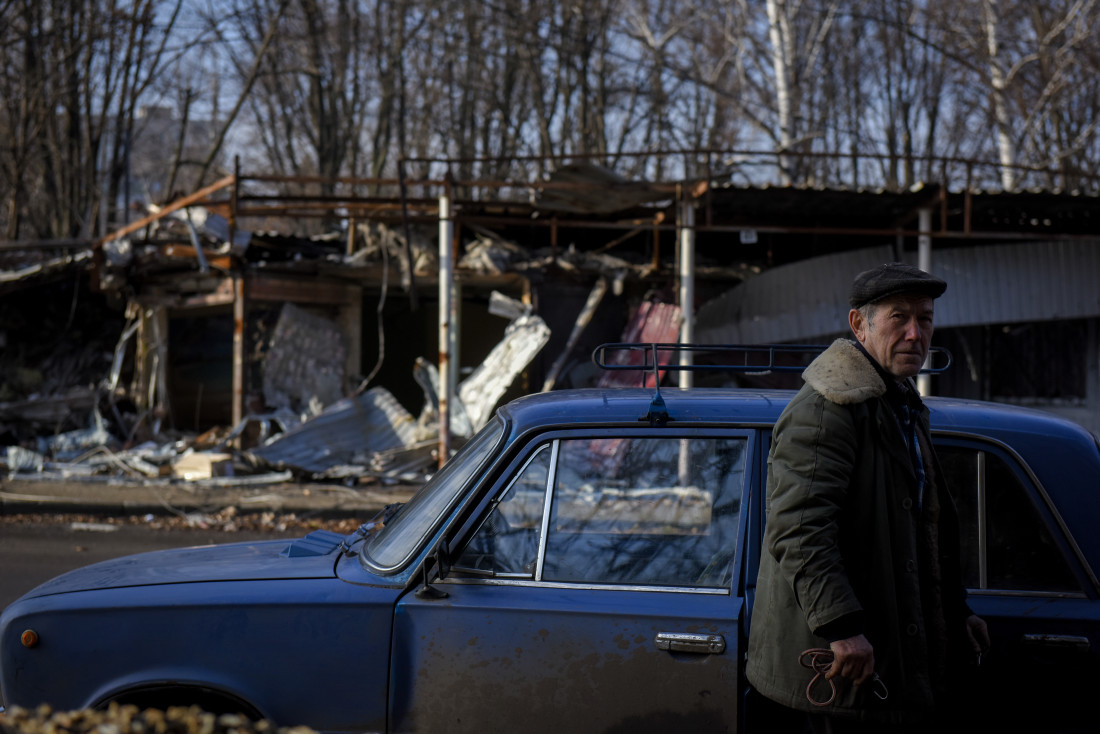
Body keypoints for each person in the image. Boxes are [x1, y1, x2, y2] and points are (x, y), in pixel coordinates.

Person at [746, 262, 990, 732]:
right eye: (899, 317)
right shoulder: (828, 410)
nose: (916, 334)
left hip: (885, 660)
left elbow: (924, 526)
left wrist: (956, 610)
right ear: (860, 325)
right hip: (839, 672)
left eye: (925, 318)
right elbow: (799, 529)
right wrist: (841, 628)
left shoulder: (898, 402)